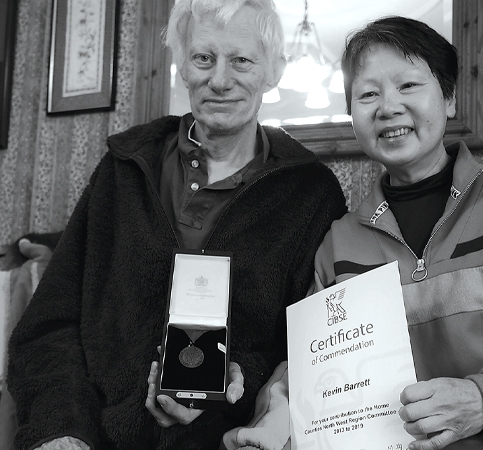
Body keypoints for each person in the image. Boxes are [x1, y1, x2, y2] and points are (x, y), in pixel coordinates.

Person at [224, 15, 483, 450]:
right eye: (367, 94)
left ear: (450, 98)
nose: (387, 107)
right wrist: (278, 421)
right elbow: (312, 365)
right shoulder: (339, 244)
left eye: (408, 85)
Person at [6, 0, 347, 448]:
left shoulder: (311, 192)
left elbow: (308, 349)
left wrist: (234, 382)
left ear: (274, 70)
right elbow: (51, 323)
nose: (220, 80)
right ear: (181, 66)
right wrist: (61, 429)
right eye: (203, 58)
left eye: (241, 60)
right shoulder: (124, 168)